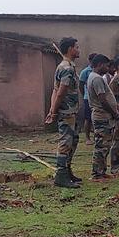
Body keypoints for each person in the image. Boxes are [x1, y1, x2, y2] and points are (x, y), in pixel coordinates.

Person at [45, 37, 82, 188]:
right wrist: (53, 111)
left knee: (73, 140)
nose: (79, 50)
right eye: (77, 47)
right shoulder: (66, 68)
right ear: (70, 49)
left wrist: (52, 108)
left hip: (71, 111)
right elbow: (60, 92)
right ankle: (61, 175)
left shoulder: (67, 66)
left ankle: (67, 170)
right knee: (65, 142)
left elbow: (55, 89)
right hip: (66, 111)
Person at [86, 55, 118, 180]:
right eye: (106, 65)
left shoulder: (95, 77)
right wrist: (114, 113)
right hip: (101, 115)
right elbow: (103, 100)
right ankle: (97, 173)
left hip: (103, 115)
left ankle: (102, 171)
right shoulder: (97, 78)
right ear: (99, 64)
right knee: (101, 145)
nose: (108, 68)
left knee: (105, 145)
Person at [78, 53, 98, 143]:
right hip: (88, 98)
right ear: (90, 61)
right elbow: (81, 85)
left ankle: (96, 136)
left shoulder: (99, 71)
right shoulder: (85, 72)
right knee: (88, 118)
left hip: (98, 98)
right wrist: (84, 95)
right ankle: (87, 138)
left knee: (97, 118)